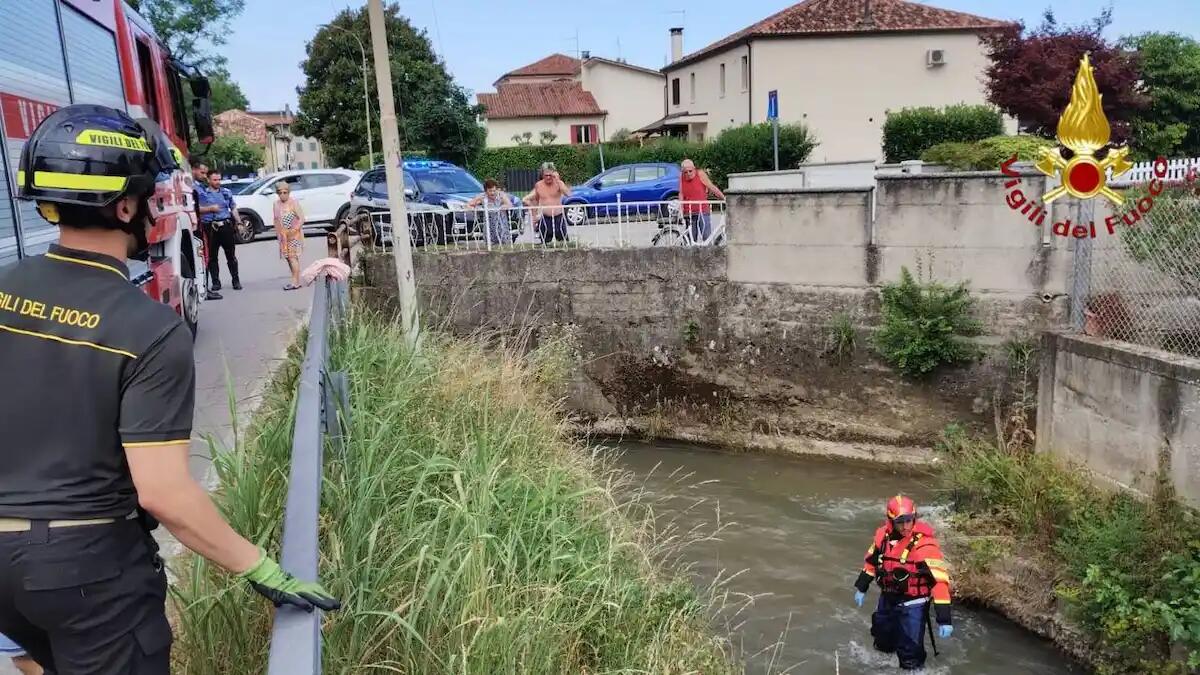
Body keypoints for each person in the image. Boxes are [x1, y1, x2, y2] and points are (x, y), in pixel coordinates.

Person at [0, 104, 340, 674]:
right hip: (87, 572)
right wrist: (261, 568)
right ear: (126, 205)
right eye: (152, 195)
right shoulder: (149, 329)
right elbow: (163, 493)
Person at [852, 495, 953, 670]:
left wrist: (944, 619)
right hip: (888, 597)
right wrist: (862, 586)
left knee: (910, 652)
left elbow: (940, 583)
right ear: (891, 521)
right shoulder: (882, 538)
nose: (906, 526)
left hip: (914, 603)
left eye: (909, 520)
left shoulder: (926, 546)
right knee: (882, 641)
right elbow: (871, 562)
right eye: (900, 522)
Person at [197, 169, 242, 291]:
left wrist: (239, 222)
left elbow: (233, 208)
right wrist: (210, 209)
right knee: (212, 257)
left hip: (225, 226)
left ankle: (235, 280)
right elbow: (197, 209)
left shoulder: (226, 192)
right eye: (215, 180)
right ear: (209, 180)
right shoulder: (203, 194)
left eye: (219, 179)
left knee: (231, 255)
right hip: (210, 227)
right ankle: (216, 282)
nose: (217, 182)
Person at [189, 157, 221, 301]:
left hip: (202, 224)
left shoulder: (198, 185)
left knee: (205, 257)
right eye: (202, 172)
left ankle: (205, 288)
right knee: (203, 257)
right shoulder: (191, 186)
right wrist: (211, 209)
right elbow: (195, 208)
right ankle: (204, 289)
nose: (204, 176)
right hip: (198, 225)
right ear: (193, 169)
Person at [523, 162, 571, 243]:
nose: (548, 177)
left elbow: (568, 194)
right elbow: (534, 200)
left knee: (563, 243)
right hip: (545, 218)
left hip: (558, 217)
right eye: (546, 175)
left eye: (550, 175)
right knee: (545, 243)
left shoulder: (558, 183)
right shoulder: (539, 185)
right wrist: (534, 216)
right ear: (542, 175)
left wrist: (558, 181)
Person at [678, 159, 724, 243]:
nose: (688, 174)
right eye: (685, 172)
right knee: (691, 240)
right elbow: (681, 193)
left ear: (694, 169)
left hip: (702, 211)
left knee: (706, 237)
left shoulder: (700, 174)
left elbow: (712, 187)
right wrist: (681, 209)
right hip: (689, 212)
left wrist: (723, 198)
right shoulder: (681, 177)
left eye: (690, 171)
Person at [273, 180, 305, 290]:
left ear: (288, 192)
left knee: (292, 257)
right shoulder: (276, 204)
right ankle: (295, 279)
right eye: (280, 192)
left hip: (293, 234)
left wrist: (295, 229)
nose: (282, 195)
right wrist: (278, 234)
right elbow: (276, 219)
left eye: (285, 192)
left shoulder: (293, 203)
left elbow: (302, 218)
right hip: (283, 236)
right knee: (288, 258)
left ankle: (295, 282)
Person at [466, 178, 514, 246]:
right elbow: (469, 204)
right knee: (490, 245)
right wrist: (472, 208)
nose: (492, 193)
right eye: (490, 191)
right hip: (489, 225)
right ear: (486, 191)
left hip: (501, 224)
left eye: (494, 190)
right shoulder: (482, 196)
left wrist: (505, 206)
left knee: (505, 245)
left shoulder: (501, 195)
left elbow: (510, 204)